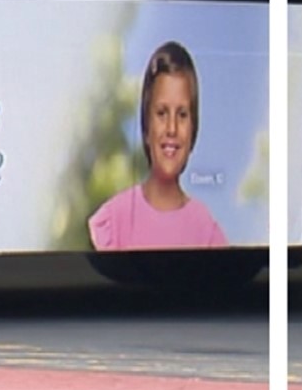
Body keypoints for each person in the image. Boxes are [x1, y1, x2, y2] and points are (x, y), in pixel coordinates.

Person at [88, 41, 228, 251]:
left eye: (182, 115)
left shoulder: (206, 231)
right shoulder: (115, 219)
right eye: (162, 113)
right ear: (146, 127)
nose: (171, 128)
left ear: (193, 127)